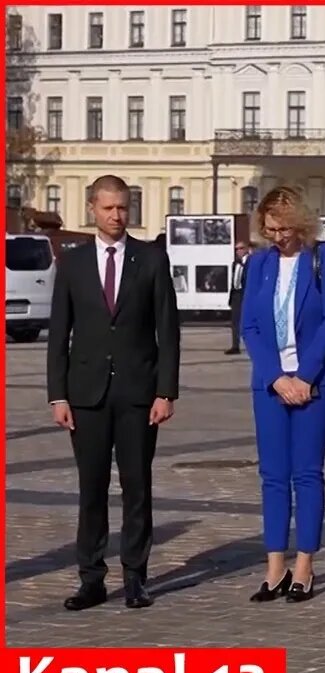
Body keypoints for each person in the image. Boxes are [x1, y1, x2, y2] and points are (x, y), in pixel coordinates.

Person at [46, 174, 181, 611]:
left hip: (139, 393)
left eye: (123, 207)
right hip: (86, 395)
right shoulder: (72, 263)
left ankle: (136, 577)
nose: (116, 216)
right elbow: (58, 334)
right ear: (92, 209)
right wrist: (58, 395)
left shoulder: (152, 259)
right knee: (92, 489)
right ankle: (91, 579)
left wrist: (166, 391)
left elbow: (168, 330)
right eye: (108, 208)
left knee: (137, 486)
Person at [240, 186, 325, 604]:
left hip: (316, 382)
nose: (277, 236)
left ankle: (304, 564)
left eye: (284, 228)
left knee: (306, 474)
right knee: (272, 476)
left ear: (301, 223)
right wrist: (274, 377)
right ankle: (274, 567)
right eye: (270, 228)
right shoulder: (260, 263)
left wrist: (303, 376)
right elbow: (248, 325)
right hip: (270, 384)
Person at [226, 240, 250, 354]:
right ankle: (235, 346)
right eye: (236, 249)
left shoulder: (250, 262)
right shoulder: (235, 263)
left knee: (248, 322)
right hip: (236, 294)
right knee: (235, 322)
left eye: (240, 248)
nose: (238, 251)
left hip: (246, 294)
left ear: (246, 249)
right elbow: (233, 281)